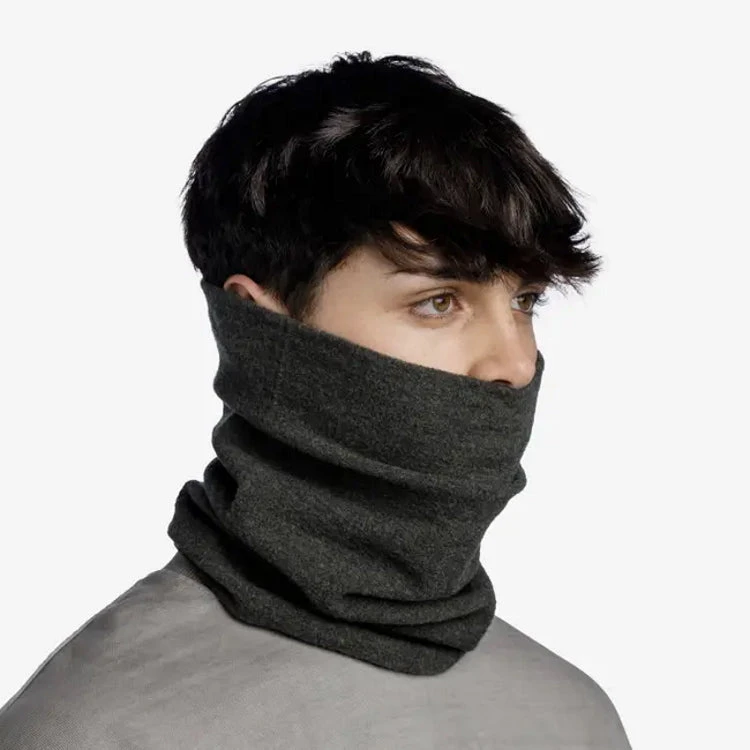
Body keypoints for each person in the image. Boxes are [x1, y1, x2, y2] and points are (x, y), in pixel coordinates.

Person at [0, 50, 632, 749]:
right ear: (260, 326)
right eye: (438, 302)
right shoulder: (93, 729)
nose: (514, 363)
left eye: (525, 301)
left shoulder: (575, 717)